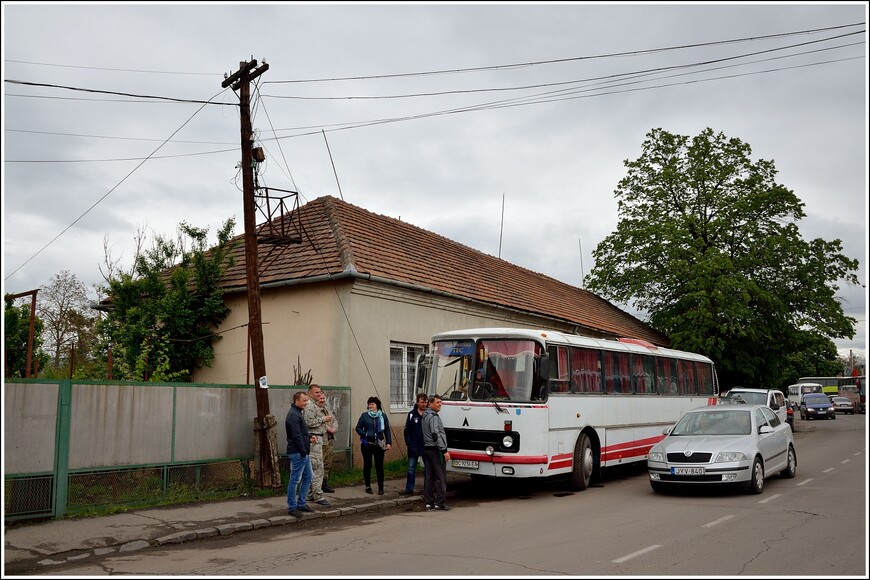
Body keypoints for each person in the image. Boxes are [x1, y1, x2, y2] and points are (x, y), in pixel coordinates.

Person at [285, 390, 317, 517]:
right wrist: (304, 451)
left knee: (308, 477)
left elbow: (301, 433)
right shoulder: (293, 415)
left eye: (307, 400)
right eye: (304, 400)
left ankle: (301, 503)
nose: (306, 403)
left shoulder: (297, 413)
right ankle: (292, 507)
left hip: (302, 451)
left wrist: (309, 437)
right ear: (296, 401)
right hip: (298, 452)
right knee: (295, 480)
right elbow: (296, 435)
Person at [303, 384, 333, 507]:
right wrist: (323, 419)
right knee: (317, 468)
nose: (320, 395)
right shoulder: (310, 406)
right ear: (310, 394)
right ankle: (318, 496)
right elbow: (309, 422)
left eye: (320, 392)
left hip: (319, 438)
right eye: (317, 393)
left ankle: (310, 494)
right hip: (314, 439)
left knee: (315, 467)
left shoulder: (316, 405)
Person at [354, 396, 391, 495]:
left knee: (379, 466)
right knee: (367, 465)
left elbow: (387, 429)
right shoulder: (364, 416)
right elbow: (358, 428)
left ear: (377, 405)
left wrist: (388, 442)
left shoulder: (382, 416)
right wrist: (365, 434)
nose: (370, 406)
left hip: (379, 444)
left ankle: (381, 487)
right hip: (367, 444)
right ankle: (368, 486)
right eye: (369, 404)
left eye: (372, 404)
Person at [422, 394, 451, 511]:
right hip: (435, 450)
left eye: (441, 402)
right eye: (438, 402)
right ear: (430, 404)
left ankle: (429, 502)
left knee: (429, 476)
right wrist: (444, 450)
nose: (440, 404)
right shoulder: (433, 417)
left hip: (426, 449)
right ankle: (440, 503)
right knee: (440, 477)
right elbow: (436, 434)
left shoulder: (425, 415)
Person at [399, 392, 428, 495]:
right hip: (413, 446)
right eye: (422, 402)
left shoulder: (429, 414)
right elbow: (407, 431)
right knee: (411, 468)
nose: (424, 404)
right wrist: (409, 444)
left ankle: (427, 490)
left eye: (425, 402)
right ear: (417, 402)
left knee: (427, 469)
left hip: (426, 446)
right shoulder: (412, 414)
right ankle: (409, 489)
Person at [317, 387, 338, 493]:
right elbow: (318, 423)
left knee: (327, 463)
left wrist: (334, 428)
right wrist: (328, 428)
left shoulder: (327, 409)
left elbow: (334, 420)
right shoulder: (315, 410)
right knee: (319, 463)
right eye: (320, 398)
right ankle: (317, 485)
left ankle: (325, 483)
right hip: (321, 441)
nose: (322, 400)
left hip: (329, 440)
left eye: (323, 398)